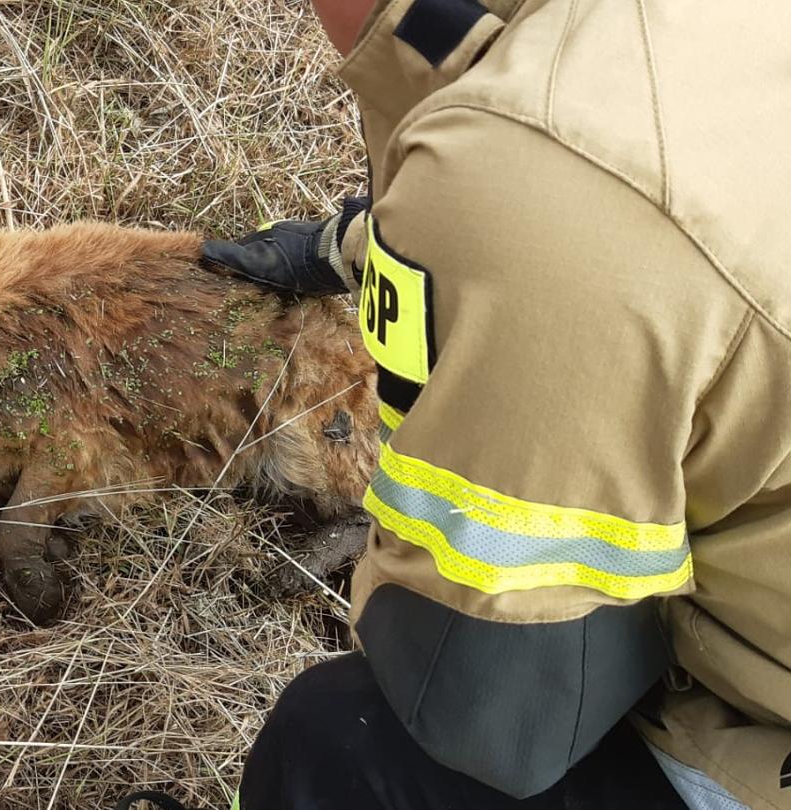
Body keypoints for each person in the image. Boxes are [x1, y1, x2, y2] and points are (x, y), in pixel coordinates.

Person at [174, 0, 791, 807]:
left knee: (340, 751)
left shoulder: (557, 177)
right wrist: (373, 238)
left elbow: (495, 717)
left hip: (759, 736)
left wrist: (469, 217)